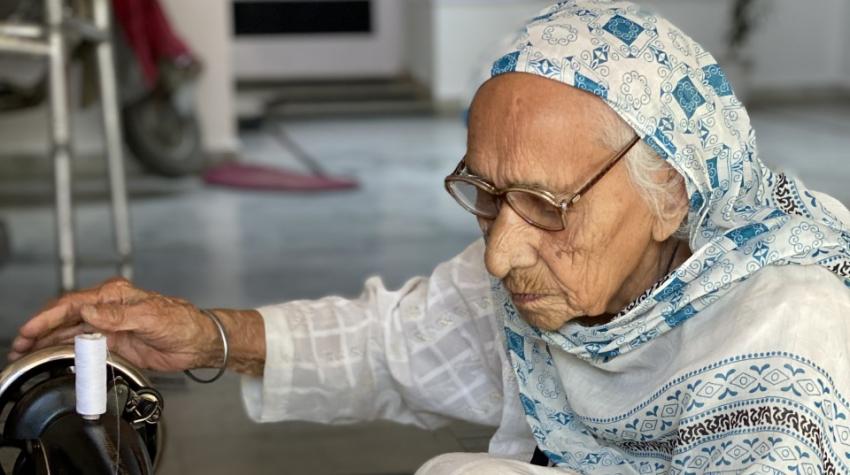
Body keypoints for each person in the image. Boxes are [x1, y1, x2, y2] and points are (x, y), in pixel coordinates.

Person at [9, 1, 850, 473]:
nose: (499, 253)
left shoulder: (790, 340)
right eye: (484, 197)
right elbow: (387, 343)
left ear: (671, 193)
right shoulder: (562, 273)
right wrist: (206, 334)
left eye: (545, 204)